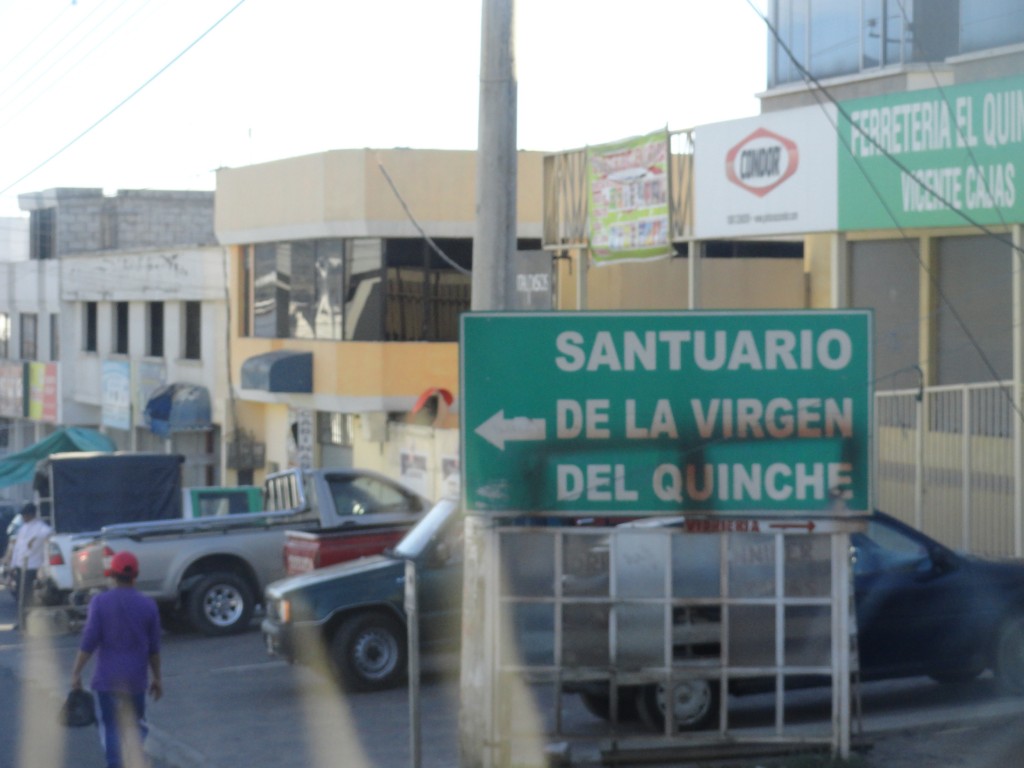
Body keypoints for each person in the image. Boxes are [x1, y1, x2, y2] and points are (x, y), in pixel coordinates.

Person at [71, 550, 163, 768]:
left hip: (106, 682)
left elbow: (89, 642)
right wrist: (157, 678)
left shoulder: (100, 602)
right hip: (136, 682)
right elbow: (154, 649)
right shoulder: (148, 605)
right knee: (135, 727)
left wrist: (76, 673)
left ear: (111, 574)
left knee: (111, 728)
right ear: (135, 576)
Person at [3, 502, 52, 624]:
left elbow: (48, 533)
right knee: (20, 595)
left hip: (32, 566)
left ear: (31, 515)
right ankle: (22, 621)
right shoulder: (23, 528)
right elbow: (18, 548)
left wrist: (36, 539)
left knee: (28, 596)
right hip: (21, 566)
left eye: (25, 515)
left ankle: (29, 621)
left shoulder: (41, 528)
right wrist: (13, 565)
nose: (24, 518)